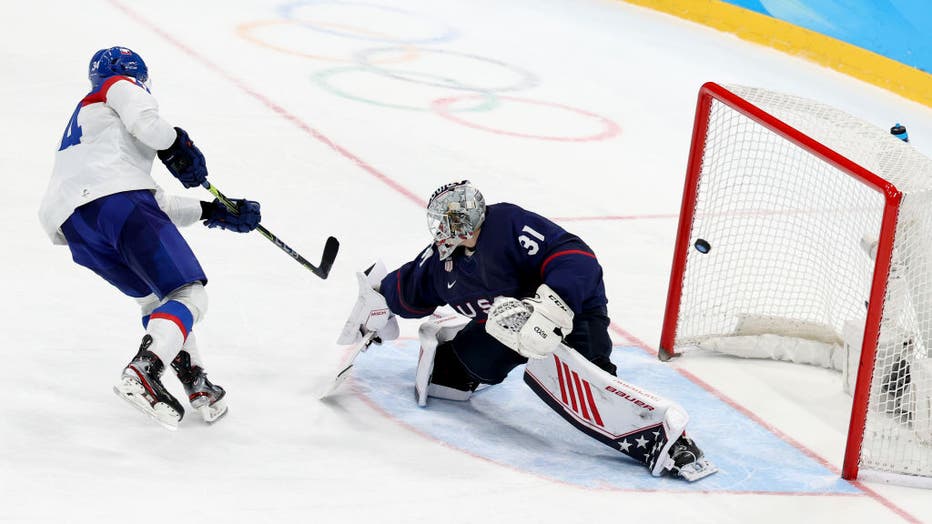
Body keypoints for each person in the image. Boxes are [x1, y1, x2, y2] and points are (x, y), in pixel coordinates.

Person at [338, 180, 716, 481]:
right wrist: (380, 298)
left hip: (572, 313)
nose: (442, 228)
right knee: (469, 368)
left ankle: (667, 440)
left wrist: (553, 306)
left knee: (592, 375)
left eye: (450, 219)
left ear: (469, 216)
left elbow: (575, 256)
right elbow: (409, 286)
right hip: (507, 326)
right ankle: (448, 357)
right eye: (439, 220)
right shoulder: (444, 261)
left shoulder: (508, 225)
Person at [38, 46, 262, 430]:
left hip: (76, 226)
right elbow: (149, 126)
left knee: (157, 300)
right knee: (190, 295)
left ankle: (197, 384)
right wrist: (177, 144)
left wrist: (213, 211)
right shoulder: (118, 86)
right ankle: (145, 370)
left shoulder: (93, 130)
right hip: (119, 206)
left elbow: (149, 202)